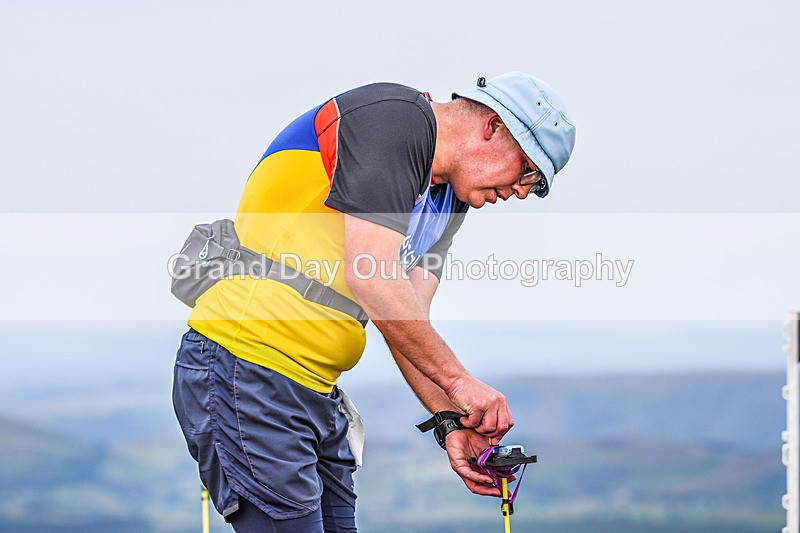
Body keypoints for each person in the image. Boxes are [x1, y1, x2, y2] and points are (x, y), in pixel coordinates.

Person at [172, 71, 576, 532]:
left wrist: (448, 416)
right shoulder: (393, 120)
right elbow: (374, 279)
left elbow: (407, 318)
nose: (521, 191)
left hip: (312, 393)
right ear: (494, 127)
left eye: (534, 185)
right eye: (528, 170)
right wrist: (460, 381)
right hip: (244, 368)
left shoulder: (449, 200)